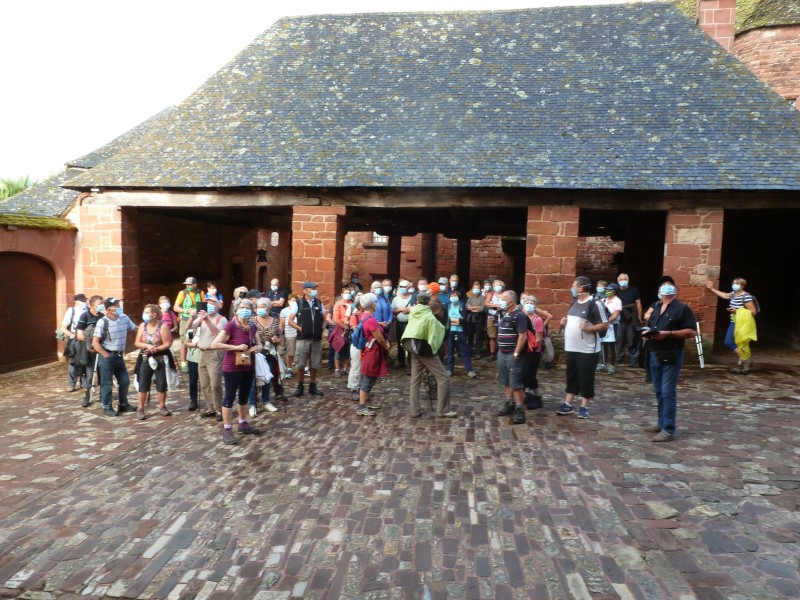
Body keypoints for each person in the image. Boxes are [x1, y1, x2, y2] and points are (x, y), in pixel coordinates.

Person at [644, 280, 697, 442]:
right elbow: (652, 325)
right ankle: (661, 422)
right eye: (661, 287)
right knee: (658, 391)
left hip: (672, 354)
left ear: (673, 292)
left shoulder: (682, 309)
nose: (663, 290)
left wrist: (669, 333)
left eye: (666, 288)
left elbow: (691, 332)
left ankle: (668, 429)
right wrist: (648, 333)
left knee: (668, 392)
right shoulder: (657, 307)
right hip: (655, 353)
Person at [556, 277, 608, 420]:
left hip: (587, 349)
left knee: (586, 377)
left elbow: (605, 324)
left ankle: (584, 406)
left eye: (574, 286)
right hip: (572, 347)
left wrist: (589, 328)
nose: (572, 289)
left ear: (581, 288)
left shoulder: (595, 304)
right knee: (571, 375)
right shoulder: (574, 302)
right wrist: (565, 323)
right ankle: (568, 403)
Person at [212, 298, 262, 445]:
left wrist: (258, 348)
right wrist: (236, 347)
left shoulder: (252, 326)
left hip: (248, 365)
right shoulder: (230, 326)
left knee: (244, 396)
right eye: (242, 307)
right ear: (236, 309)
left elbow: (259, 344)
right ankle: (227, 429)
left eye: (248, 307)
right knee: (229, 396)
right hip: (232, 367)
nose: (245, 309)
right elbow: (215, 344)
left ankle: (243, 423)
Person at [402, 291, 456, 418]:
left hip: (413, 348)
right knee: (443, 379)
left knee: (415, 380)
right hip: (426, 350)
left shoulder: (414, 312)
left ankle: (414, 411)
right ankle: (442, 410)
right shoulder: (430, 317)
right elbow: (437, 335)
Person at [92, 297, 137, 417]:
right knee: (106, 383)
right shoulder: (103, 322)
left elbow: (135, 329)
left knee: (125, 381)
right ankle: (107, 407)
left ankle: (123, 404)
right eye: (117, 305)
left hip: (119, 356)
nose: (119, 306)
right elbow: (95, 342)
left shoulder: (124, 318)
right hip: (107, 356)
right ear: (110, 309)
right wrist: (105, 355)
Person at [705, 277, 758, 373]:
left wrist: (736, 311)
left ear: (742, 286)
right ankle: (744, 362)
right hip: (734, 322)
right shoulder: (733, 294)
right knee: (732, 342)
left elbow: (753, 312)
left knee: (737, 343)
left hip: (742, 324)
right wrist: (711, 288)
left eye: (737, 284)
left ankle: (745, 361)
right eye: (733, 283)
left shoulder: (746, 296)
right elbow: (725, 295)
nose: (734, 285)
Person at [495, 290, 531, 425]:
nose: (501, 301)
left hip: (512, 353)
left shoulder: (519, 315)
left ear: (511, 301)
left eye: (503, 299)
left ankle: (520, 409)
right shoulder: (506, 314)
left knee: (515, 382)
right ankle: (509, 403)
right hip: (502, 352)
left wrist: (516, 352)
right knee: (506, 380)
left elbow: (522, 335)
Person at [133, 304, 173, 420]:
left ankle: (162, 406)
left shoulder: (163, 327)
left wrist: (156, 349)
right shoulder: (142, 325)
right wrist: (147, 346)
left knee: (161, 383)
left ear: (154, 315)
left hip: (159, 357)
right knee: (143, 382)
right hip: (145, 357)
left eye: (147, 312)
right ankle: (140, 408)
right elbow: (137, 342)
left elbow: (167, 343)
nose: (144, 315)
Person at [192, 295, 227, 421]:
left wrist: (207, 320)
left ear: (217, 306)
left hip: (214, 353)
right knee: (205, 383)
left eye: (212, 303)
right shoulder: (201, 318)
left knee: (215, 383)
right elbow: (190, 327)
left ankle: (219, 409)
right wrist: (193, 316)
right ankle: (211, 407)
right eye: (207, 303)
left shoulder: (221, 319)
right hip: (202, 352)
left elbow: (219, 334)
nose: (210, 305)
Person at [355, 293, 390, 416]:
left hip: (369, 351)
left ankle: (366, 400)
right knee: (368, 378)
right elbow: (379, 338)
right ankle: (362, 406)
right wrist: (386, 346)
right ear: (372, 304)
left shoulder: (366, 317)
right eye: (375, 302)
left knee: (368, 377)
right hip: (372, 352)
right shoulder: (370, 320)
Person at [292, 282, 326, 397]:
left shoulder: (318, 302)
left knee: (315, 363)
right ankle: (300, 386)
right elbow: (290, 320)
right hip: (303, 338)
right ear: (305, 290)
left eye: (315, 288)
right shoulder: (299, 303)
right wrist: (300, 329)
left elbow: (324, 318)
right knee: (301, 363)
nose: (314, 290)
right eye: (312, 288)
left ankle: (313, 385)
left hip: (316, 338)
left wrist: (321, 329)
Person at [250, 297, 282, 415]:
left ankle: (266, 401)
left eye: (263, 307)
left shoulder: (274, 321)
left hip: (269, 353)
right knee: (253, 378)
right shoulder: (251, 320)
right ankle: (252, 404)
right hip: (255, 353)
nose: (260, 309)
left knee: (267, 378)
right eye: (259, 307)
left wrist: (277, 339)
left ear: (269, 309)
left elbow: (280, 340)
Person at [76, 295, 105, 407]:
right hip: (88, 350)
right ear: (93, 304)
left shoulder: (102, 316)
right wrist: (92, 342)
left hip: (100, 349)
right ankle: (86, 394)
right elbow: (79, 334)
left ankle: (104, 394)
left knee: (103, 372)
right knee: (88, 373)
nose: (102, 305)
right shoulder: (85, 316)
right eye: (100, 303)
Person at [174, 277, 205, 373]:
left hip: (197, 319)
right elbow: (176, 307)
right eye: (186, 285)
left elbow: (203, 306)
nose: (188, 286)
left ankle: (193, 358)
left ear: (195, 284)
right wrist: (186, 310)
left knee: (194, 337)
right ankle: (183, 362)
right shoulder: (182, 293)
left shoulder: (200, 293)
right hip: (186, 319)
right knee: (185, 339)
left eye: (190, 284)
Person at [521, 294, 544, 409]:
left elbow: (539, 338)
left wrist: (531, 345)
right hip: (524, 350)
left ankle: (536, 397)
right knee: (524, 374)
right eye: (527, 303)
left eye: (531, 304)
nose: (529, 305)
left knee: (530, 375)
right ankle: (528, 395)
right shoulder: (523, 318)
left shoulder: (538, 320)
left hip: (533, 350)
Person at [446, 291, 477, 378]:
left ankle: (470, 370)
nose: (453, 297)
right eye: (452, 295)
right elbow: (446, 319)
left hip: (460, 331)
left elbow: (464, 319)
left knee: (464, 351)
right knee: (450, 351)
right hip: (451, 331)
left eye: (455, 295)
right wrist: (455, 321)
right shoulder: (448, 306)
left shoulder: (462, 305)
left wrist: (454, 321)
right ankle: (449, 369)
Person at [61, 294, 88, 393]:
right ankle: (71, 383)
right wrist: (73, 335)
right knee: (73, 362)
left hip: (86, 339)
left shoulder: (87, 310)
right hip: (74, 340)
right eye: (82, 301)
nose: (84, 303)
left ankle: (85, 383)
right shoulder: (71, 311)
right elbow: (63, 327)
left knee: (85, 361)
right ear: (77, 302)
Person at [615, 273, 642, 367]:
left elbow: (638, 303)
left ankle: (633, 360)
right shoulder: (616, 291)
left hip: (631, 318)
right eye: (621, 279)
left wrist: (639, 316)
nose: (623, 281)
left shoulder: (633, 290)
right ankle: (619, 358)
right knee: (619, 339)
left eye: (624, 279)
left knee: (631, 340)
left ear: (628, 280)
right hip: (619, 318)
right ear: (618, 281)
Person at [391, 279, 414, 371]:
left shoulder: (412, 297)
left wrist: (409, 310)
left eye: (404, 287)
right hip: (399, 323)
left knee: (409, 342)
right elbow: (392, 310)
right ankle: (401, 361)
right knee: (400, 342)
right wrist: (400, 309)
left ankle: (410, 363)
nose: (402, 288)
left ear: (408, 287)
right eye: (400, 287)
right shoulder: (396, 299)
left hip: (410, 323)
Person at [600, 282, 622, 375]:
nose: (607, 291)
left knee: (612, 346)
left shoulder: (617, 301)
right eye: (607, 290)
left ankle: (612, 365)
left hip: (612, 326)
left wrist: (607, 320)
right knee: (603, 344)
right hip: (604, 326)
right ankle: (603, 363)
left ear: (614, 291)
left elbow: (615, 314)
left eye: (610, 290)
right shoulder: (603, 300)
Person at [332, 286, 353, 377]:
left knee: (348, 349)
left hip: (350, 327)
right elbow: (336, 319)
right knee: (338, 348)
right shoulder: (338, 305)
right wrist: (345, 326)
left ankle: (346, 367)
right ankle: (337, 368)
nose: (348, 295)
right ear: (342, 294)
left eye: (349, 293)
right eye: (346, 293)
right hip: (340, 328)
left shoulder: (352, 304)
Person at [347, 291, 365, 395]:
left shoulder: (367, 315)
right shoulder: (355, 316)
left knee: (363, 367)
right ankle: (353, 387)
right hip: (357, 344)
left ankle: (361, 388)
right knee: (356, 366)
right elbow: (355, 330)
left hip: (365, 344)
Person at [484, 279, 505, 361]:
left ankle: (502, 352)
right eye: (495, 285)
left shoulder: (505, 294)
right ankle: (492, 353)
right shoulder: (492, 295)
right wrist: (495, 305)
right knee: (492, 335)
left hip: (502, 317)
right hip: (492, 316)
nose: (497, 287)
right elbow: (486, 303)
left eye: (499, 285)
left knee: (502, 335)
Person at [464, 281, 486, 359]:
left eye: (477, 288)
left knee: (479, 337)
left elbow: (482, 308)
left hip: (479, 320)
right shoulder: (470, 297)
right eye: (474, 288)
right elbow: (467, 306)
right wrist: (476, 307)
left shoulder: (483, 298)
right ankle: (469, 352)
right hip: (470, 320)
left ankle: (478, 352)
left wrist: (472, 308)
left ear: (480, 289)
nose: (476, 290)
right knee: (470, 337)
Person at [279, 293, 299, 378]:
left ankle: (306, 368)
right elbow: (281, 324)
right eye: (293, 301)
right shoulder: (284, 311)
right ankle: (289, 368)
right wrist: (280, 336)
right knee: (290, 352)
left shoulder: (299, 309)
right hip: (289, 333)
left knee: (303, 351)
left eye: (296, 301)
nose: (294, 302)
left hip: (300, 333)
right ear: (289, 301)